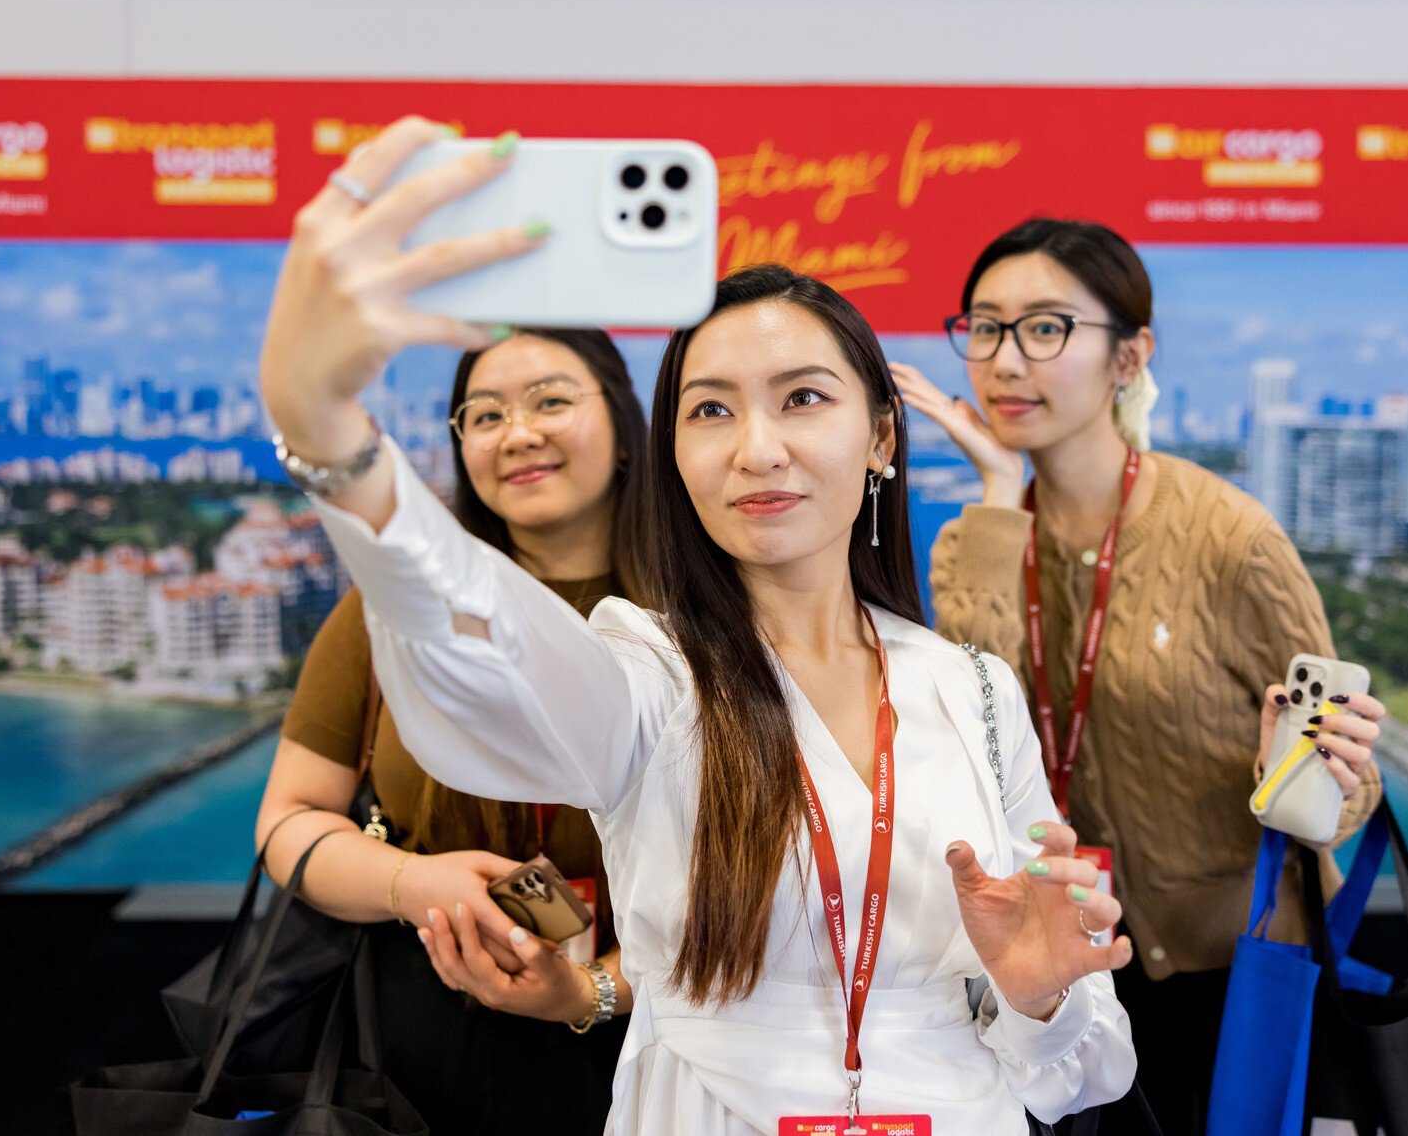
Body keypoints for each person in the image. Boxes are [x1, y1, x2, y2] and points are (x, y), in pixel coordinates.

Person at [256, 117, 1137, 1134]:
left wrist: (1036, 992)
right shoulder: (647, 670)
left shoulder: (973, 691)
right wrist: (329, 433)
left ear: (879, 433)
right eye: (711, 410)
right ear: (671, 451)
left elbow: (1079, 1073)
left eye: (802, 397)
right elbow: (477, 655)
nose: (756, 447)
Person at [892, 218, 1389, 1135]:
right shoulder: (976, 542)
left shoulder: (1229, 537)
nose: (1006, 360)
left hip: (1237, 969)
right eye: (987, 327)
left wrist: (1307, 772)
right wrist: (1001, 491)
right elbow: (978, 743)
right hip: (1060, 968)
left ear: (1130, 355)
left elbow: (1348, 792)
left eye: (1046, 328)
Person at [255, 319, 649, 1136]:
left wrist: (596, 988)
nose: (520, 433)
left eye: (551, 401)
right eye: (486, 413)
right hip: (410, 1036)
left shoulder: (705, 619)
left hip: (645, 1039)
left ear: (621, 425)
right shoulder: (397, 609)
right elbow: (287, 820)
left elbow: (762, 892)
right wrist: (411, 883)